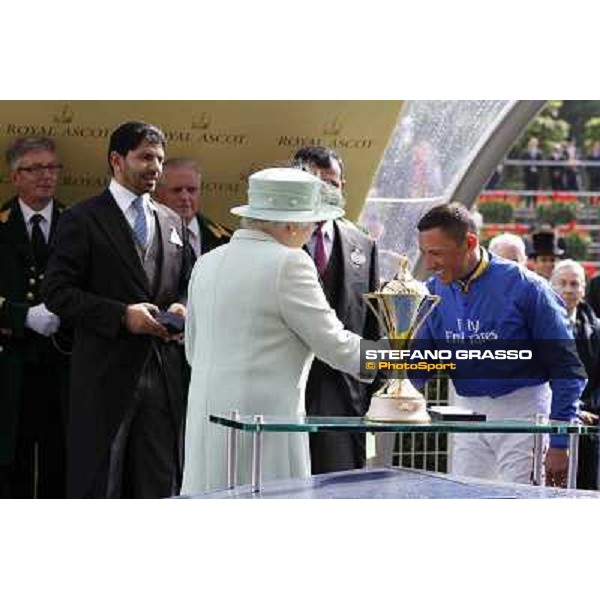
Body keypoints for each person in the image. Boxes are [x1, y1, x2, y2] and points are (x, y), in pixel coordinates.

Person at [181, 168, 366, 494]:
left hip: (205, 425)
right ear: (291, 224)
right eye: (313, 222)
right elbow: (337, 345)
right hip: (263, 432)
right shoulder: (289, 263)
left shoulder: (207, 262)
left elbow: (193, 350)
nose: (313, 231)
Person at [43, 121, 191, 499]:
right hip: (104, 380)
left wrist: (182, 308)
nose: (155, 167)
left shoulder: (172, 221)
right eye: (145, 157)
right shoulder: (82, 218)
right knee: (100, 486)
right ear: (116, 160)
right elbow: (58, 293)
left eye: (159, 158)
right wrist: (122, 315)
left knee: (159, 485)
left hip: (163, 379)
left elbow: (190, 286)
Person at [413, 202, 586, 486]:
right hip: (465, 412)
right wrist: (391, 389)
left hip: (525, 412)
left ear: (469, 242)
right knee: (466, 504)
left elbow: (567, 369)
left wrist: (559, 440)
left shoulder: (527, 288)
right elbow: (421, 364)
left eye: (436, 253)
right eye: (424, 253)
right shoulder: (432, 291)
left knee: (517, 508)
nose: (429, 264)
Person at [292, 146, 380, 474]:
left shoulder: (363, 244)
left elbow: (372, 324)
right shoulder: (274, 240)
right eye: (316, 184)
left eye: (333, 183)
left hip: (344, 397)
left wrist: (374, 391)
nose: (326, 192)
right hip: (286, 393)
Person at [0, 136, 68, 498]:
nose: (46, 175)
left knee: (62, 460)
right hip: (10, 366)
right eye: (35, 168)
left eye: (52, 167)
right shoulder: (2, 224)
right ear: (15, 177)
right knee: (13, 464)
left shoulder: (77, 224)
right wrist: (21, 316)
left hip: (63, 366)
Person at [550, 259, 600, 489]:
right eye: (562, 283)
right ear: (551, 286)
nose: (568, 289)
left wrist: (587, 408)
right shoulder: (534, 326)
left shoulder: (596, 330)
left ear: (583, 289)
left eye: (574, 284)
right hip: (545, 421)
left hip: (589, 426)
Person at [154, 158, 231, 260]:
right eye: (177, 190)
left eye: (191, 190)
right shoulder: (146, 235)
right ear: (158, 193)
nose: (185, 197)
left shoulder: (225, 240)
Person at [521, 137, 543, 208]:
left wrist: (538, 170)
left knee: (535, 189)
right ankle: (527, 204)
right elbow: (523, 162)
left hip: (536, 174)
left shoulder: (539, 152)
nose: (533, 144)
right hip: (528, 174)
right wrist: (529, 168)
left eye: (535, 143)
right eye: (532, 142)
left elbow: (541, 163)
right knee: (528, 189)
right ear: (529, 143)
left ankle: (535, 204)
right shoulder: (525, 152)